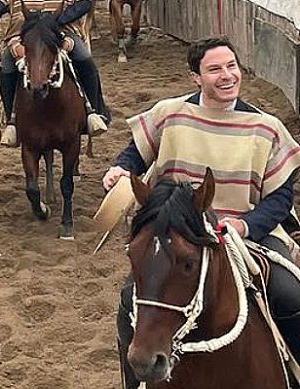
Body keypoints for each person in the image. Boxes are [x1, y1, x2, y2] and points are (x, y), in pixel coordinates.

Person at [102, 36, 300, 388]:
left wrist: (244, 225)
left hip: (244, 229)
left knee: (289, 293)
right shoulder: (171, 113)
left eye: (231, 67)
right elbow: (134, 154)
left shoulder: (267, 127)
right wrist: (119, 169)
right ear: (196, 77)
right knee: (128, 303)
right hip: (176, 229)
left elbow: (281, 198)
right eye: (214, 69)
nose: (226, 76)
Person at [0, 0, 110, 147]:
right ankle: (12, 121)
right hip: (23, 31)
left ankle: (92, 112)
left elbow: (84, 3)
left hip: (61, 30)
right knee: (6, 63)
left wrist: (62, 18)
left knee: (84, 58)